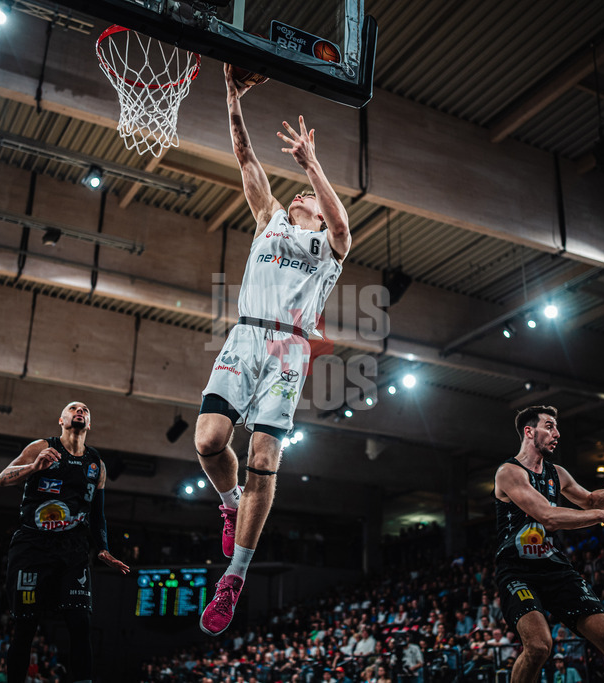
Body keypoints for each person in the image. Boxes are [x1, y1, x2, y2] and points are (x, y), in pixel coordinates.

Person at [194, 63, 350, 637]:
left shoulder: (327, 244)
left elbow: (343, 224)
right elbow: (244, 157)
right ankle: (231, 501)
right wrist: (232, 96)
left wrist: (315, 165)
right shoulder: (268, 220)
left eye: (307, 192)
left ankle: (234, 576)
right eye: (302, 189)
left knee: (264, 458)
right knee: (209, 441)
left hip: (289, 350)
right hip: (246, 332)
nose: (301, 193)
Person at [493, 405, 604, 683]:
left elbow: (589, 500)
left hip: (553, 566)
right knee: (539, 646)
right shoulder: (509, 472)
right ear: (530, 432)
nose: (557, 433)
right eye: (550, 426)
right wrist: (602, 515)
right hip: (517, 570)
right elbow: (548, 516)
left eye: (556, 427)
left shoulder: (558, 473)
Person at [0, 401, 130, 683]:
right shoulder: (41, 447)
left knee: (80, 624)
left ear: (89, 424)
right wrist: (33, 466)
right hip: (32, 546)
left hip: (73, 550)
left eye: (85, 410)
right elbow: (2, 479)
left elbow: (97, 514)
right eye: (73, 408)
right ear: (61, 420)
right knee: (25, 626)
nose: (79, 411)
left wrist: (103, 547)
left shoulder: (97, 464)